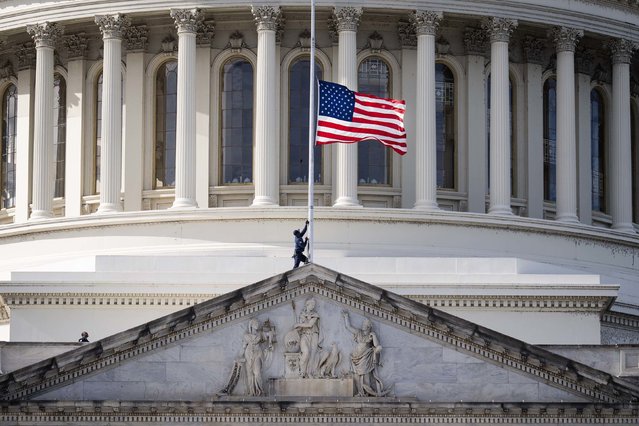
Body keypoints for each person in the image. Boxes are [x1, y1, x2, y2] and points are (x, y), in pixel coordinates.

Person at [341, 311, 387, 397]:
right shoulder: (358, 332)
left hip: (366, 357)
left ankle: (367, 392)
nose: (363, 325)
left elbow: (377, 345)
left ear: (369, 326)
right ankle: (360, 392)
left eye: (365, 324)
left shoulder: (371, 335)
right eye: (363, 323)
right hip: (356, 357)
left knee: (366, 375)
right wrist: (346, 317)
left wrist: (374, 336)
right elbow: (348, 327)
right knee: (356, 376)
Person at [293, 297, 320, 377]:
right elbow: (301, 328)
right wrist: (297, 328)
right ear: (307, 304)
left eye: (314, 305)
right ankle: (302, 371)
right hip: (304, 335)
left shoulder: (315, 315)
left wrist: (298, 324)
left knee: (312, 355)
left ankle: (309, 372)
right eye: (312, 304)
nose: (313, 306)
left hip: (314, 335)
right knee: (306, 352)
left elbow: (310, 325)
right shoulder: (302, 314)